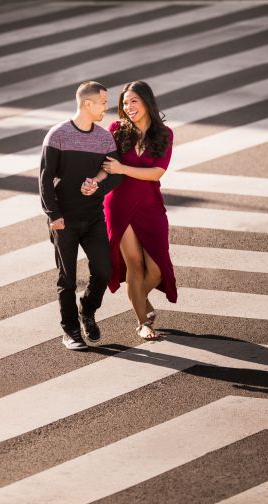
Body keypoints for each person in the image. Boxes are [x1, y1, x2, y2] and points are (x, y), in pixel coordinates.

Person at [82, 80, 176, 341]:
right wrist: (96, 181)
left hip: (149, 204)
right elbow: (106, 166)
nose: (128, 107)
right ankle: (142, 322)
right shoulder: (117, 130)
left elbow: (157, 172)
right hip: (119, 203)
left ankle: (140, 301)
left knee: (156, 268)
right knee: (134, 264)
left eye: (133, 100)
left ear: (146, 102)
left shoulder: (165, 134)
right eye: (124, 103)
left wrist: (123, 169)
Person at [40, 81, 123, 351]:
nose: (106, 108)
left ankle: (87, 310)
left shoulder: (103, 138)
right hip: (64, 219)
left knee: (103, 270)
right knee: (67, 278)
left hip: (94, 217)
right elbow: (44, 178)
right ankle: (71, 331)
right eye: (103, 103)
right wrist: (53, 215)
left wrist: (98, 185)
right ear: (88, 104)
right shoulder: (57, 135)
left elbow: (115, 173)